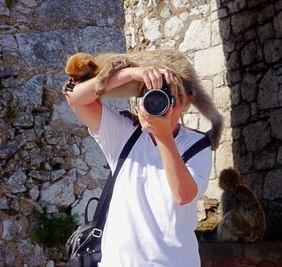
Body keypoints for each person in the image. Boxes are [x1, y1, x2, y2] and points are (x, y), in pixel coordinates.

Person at [64, 65, 212, 267]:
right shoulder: (124, 132)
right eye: (152, 95)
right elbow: (74, 98)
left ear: (185, 103)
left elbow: (183, 195)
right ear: (139, 101)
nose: (162, 105)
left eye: (171, 99)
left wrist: (163, 136)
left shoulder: (197, 144)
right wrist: (131, 74)